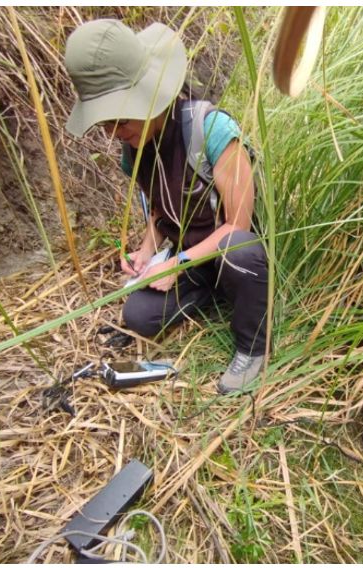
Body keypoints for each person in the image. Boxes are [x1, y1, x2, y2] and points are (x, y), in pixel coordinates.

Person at [63, 19, 268, 394]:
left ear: (150, 97)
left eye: (120, 121)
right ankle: (213, 296)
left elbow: (239, 225)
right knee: (137, 315)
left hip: (226, 250)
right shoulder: (134, 149)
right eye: (106, 126)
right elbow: (160, 210)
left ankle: (252, 346)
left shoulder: (212, 130)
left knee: (242, 255)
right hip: (189, 256)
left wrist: (178, 263)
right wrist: (147, 252)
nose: (115, 134)